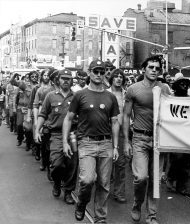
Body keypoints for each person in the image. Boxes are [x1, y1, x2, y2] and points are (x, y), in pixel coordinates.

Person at [62, 59, 120, 223]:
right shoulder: (80, 95)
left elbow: (115, 122)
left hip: (106, 143)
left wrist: (116, 146)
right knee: (87, 180)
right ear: (89, 72)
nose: (99, 74)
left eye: (102, 72)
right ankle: (81, 204)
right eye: (96, 71)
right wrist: (66, 142)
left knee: (104, 183)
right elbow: (68, 118)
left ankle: (100, 217)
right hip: (86, 143)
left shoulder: (110, 96)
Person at [123, 55, 170, 224]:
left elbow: (176, 111)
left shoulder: (164, 88)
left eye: (157, 68)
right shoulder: (133, 89)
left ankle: (151, 215)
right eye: (151, 67)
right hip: (140, 138)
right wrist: (126, 141)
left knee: (155, 180)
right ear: (144, 69)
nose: (154, 71)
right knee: (141, 177)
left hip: (159, 140)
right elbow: (126, 115)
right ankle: (137, 204)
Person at [35, 69, 77, 205]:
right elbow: (43, 114)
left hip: (73, 135)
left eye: (68, 78)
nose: (65, 81)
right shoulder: (50, 96)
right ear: (58, 80)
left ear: (72, 81)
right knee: (56, 164)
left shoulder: (77, 97)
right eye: (63, 78)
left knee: (71, 165)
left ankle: (68, 192)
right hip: (56, 135)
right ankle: (57, 182)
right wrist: (37, 130)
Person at [165, 73, 190, 195]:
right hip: (175, 134)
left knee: (187, 161)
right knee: (177, 158)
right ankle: (171, 178)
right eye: (181, 84)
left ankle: (182, 185)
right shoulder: (170, 99)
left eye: (186, 84)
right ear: (176, 86)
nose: (184, 86)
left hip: (188, 135)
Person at [107, 68, 127, 203]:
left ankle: (119, 192)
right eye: (116, 76)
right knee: (106, 162)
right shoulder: (105, 93)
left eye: (121, 77)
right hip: (106, 130)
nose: (119, 79)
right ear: (112, 79)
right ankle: (105, 188)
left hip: (121, 132)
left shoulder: (127, 94)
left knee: (121, 163)